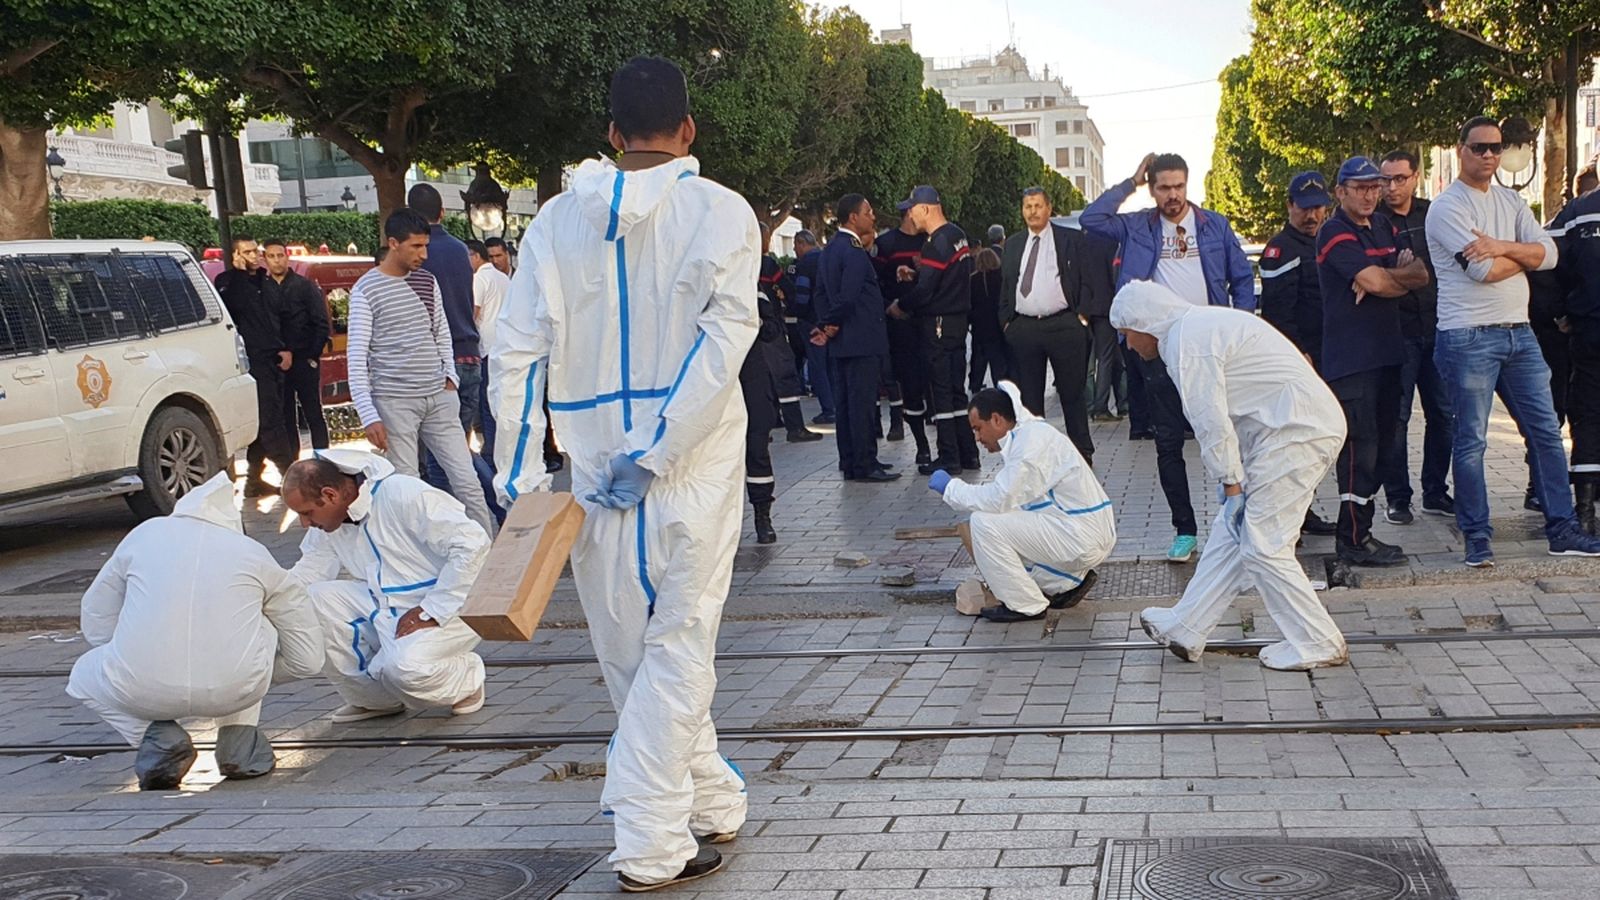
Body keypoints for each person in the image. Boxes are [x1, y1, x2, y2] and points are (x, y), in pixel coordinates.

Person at [489, 57, 750, 891]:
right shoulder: (723, 214)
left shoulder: (554, 224)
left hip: (594, 471)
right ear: (688, 131)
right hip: (695, 469)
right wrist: (662, 448)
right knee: (678, 649)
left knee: (634, 657)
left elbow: (517, 354)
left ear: (609, 132)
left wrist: (523, 474)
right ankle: (648, 841)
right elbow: (723, 344)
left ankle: (707, 798)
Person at [1113, 281, 1349, 671]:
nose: (1127, 345)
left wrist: (1230, 481)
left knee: (1263, 543)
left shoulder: (1188, 343)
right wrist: (1234, 479)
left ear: (1144, 325)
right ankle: (1188, 624)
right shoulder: (1194, 328)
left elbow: (1211, 421)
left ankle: (1317, 640)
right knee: (1231, 530)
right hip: (1287, 430)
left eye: (1126, 334)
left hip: (1297, 432)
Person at [67, 472, 324, 790]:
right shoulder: (251, 552)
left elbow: (95, 611)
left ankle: (157, 738)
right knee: (254, 638)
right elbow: (308, 659)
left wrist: (125, 656)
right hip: (236, 687)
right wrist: (264, 672)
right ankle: (240, 746)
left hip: (142, 687)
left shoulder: (145, 536)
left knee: (82, 676)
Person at [1425, 116, 1600, 567]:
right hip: (1467, 337)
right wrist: (1524, 254)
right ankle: (1477, 537)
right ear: (1461, 149)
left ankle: (1562, 530)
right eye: (1479, 147)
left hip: (1519, 334)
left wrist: (1501, 247)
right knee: (1471, 441)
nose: (1488, 155)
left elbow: (1553, 255)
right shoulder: (1447, 209)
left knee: (1545, 432)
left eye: (1495, 148)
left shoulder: (1511, 203)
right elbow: (1482, 271)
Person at [1082, 152, 1256, 562]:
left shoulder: (1213, 225)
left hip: (1210, 347)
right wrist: (1130, 182)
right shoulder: (1138, 226)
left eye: (1179, 186)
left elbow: (1241, 277)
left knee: (1224, 433)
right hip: (1157, 348)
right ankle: (1185, 529)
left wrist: (1241, 326)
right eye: (1163, 187)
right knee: (1168, 442)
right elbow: (1092, 220)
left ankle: (1238, 515)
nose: (1173, 195)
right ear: (1153, 186)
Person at [284, 451, 489, 722]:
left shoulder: (402, 492)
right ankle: (374, 700)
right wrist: (265, 601)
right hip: (385, 606)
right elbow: (309, 572)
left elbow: (473, 544)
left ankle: (466, 679)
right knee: (311, 600)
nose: (305, 523)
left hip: (449, 605)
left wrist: (432, 608)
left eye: (307, 513)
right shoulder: (328, 524)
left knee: (403, 669)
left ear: (331, 495)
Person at [346, 209, 496, 537]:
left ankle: (486, 550)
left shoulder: (427, 280)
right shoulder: (366, 290)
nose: (423, 254)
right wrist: (369, 414)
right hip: (395, 401)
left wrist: (450, 380)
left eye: (425, 246)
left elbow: (441, 330)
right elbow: (356, 356)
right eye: (415, 247)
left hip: (438, 395)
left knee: (467, 481)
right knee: (407, 487)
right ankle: (419, 558)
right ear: (393, 243)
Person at [1316, 156, 1430, 566]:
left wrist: (1384, 280)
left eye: (1373, 186)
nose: (1368, 194)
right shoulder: (1333, 231)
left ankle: (1363, 531)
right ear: (1340, 192)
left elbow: (1419, 273)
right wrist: (1381, 276)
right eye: (1359, 187)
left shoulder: (1383, 225)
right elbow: (1376, 281)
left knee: (1384, 448)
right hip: (1353, 361)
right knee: (1358, 452)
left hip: (1388, 354)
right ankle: (1351, 539)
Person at [931, 381, 1114, 623]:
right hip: (1081, 531)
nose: (976, 438)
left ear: (996, 420)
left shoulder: (1031, 443)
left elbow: (999, 498)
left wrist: (952, 489)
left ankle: (1026, 605)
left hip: (1081, 536)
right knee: (1008, 522)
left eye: (978, 428)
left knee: (984, 524)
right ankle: (1065, 584)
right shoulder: (1030, 437)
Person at [1258, 172, 1339, 539]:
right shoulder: (1280, 249)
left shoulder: (1326, 240)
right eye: (1305, 209)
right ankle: (1294, 512)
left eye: (1318, 208)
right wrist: (1297, 354)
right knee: (1297, 441)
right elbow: (1278, 313)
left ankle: (1303, 510)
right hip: (1301, 360)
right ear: (1290, 206)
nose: (1312, 216)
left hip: (1331, 353)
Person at [1377, 150, 1455, 526]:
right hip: (1396, 332)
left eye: (1399, 179)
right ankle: (1397, 498)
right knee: (1397, 418)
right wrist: (1403, 275)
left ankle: (1435, 492)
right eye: (1385, 180)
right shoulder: (1374, 221)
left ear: (1415, 177)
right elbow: (1377, 275)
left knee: (1444, 413)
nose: (1391, 187)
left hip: (1439, 329)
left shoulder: (1434, 214)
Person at [998, 186, 1097, 463]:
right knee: (1029, 397)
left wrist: (1083, 317)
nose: (1032, 211)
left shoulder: (1070, 240)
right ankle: (1035, 454)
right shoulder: (1015, 244)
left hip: (1064, 325)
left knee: (1072, 393)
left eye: (1038, 206)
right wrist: (1007, 321)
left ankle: (1081, 452)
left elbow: (1088, 279)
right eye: (1028, 206)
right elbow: (1007, 284)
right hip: (1024, 328)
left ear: (1049, 209)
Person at [890, 185, 981, 475]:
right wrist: (918, 273)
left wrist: (900, 306)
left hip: (938, 324)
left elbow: (926, 291)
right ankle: (969, 452)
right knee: (956, 391)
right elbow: (945, 277)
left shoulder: (935, 242)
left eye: (912, 209)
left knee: (941, 393)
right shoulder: (957, 235)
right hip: (957, 321)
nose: (909, 215)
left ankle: (949, 457)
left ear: (925, 209)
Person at [818, 195, 901, 483]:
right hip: (860, 339)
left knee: (846, 403)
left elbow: (820, 294)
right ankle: (865, 463)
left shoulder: (830, 249)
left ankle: (851, 460)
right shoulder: (852, 250)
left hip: (842, 341)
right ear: (853, 217)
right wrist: (832, 323)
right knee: (862, 404)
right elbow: (849, 295)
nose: (873, 217)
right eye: (868, 212)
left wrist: (825, 324)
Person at [214, 237, 293, 496]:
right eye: (247, 252)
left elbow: (276, 315)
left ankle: (254, 481)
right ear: (236, 255)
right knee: (270, 421)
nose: (254, 256)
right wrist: (238, 274)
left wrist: (284, 347)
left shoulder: (264, 280)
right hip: (249, 360)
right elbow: (236, 307)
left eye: (255, 251)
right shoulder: (228, 282)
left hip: (272, 357)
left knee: (265, 421)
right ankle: (293, 477)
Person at [409, 184, 484, 438]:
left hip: (432, 360)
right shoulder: (461, 249)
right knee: (459, 448)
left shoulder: (413, 256)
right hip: (469, 353)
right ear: (442, 212)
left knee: (434, 455)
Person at [1548, 175, 1600, 532]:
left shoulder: (1580, 211)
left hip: (1589, 327)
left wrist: (1561, 312)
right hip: (1588, 326)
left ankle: (1585, 514)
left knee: (1588, 414)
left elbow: (1549, 263)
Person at [264, 238, 331, 453]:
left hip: (304, 359)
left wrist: (312, 355)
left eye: (280, 255)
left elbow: (321, 322)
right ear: (265, 259)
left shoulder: (304, 286)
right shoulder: (263, 289)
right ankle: (293, 465)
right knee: (285, 417)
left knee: (313, 413)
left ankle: (324, 460)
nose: (276, 261)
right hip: (276, 362)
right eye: (271, 256)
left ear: (287, 257)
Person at [758, 225, 822, 443]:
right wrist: (793, 308)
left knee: (758, 379)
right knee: (785, 374)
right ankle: (795, 427)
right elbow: (787, 288)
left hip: (746, 329)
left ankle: (763, 427)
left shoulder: (738, 264)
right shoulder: (767, 265)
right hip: (770, 326)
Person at [873, 215, 929, 458]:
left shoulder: (932, 242)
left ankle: (950, 448)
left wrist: (918, 272)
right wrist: (889, 307)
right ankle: (922, 445)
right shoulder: (886, 244)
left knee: (937, 387)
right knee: (909, 385)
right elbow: (874, 282)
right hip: (900, 327)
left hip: (929, 322)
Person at [741, 264, 783, 543]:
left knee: (757, 449)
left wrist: (751, 323)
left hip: (750, 376)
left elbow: (772, 328)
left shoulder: (749, 285)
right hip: (711, 380)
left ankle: (762, 516)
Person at [788, 230, 834, 425]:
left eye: (795, 246)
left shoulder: (804, 265)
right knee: (832, 366)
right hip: (831, 321)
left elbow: (802, 296)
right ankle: (838, 405)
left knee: (818, 367)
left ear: (801, 243)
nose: (794, 250)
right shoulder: (828, 259)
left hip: (811, 322)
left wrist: (795, 312)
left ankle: (828, 409)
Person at [1082, 231, 1125, 422]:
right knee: (1106, 359)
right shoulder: (1110, 242)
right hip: (1106, 307)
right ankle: (1101, 407)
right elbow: (1114, 276)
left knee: (1087, 362)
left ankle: (1090, 404)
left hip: (1084, 309)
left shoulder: (1079, 243)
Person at [967, 246, 1009, 394]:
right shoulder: (1001, 277)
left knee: (978, 357)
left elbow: (969, 304)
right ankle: (1002, 385)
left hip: (980, 325)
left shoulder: (972, 280)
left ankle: (975, 384)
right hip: (998, 323)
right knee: (999, 358)